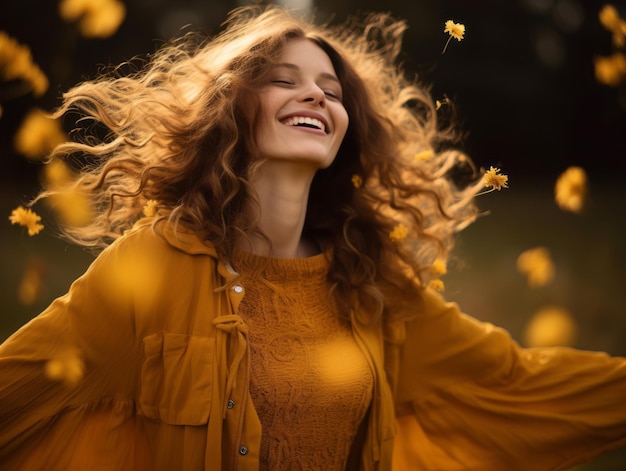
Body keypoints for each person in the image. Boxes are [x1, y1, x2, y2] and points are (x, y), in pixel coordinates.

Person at [1, 5, 625, 471]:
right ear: (230, 106)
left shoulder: (370, 284)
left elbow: (516, 382)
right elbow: (18, 388)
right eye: (284, 79)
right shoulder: (153, 266)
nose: (315, 96)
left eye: (331, 91)